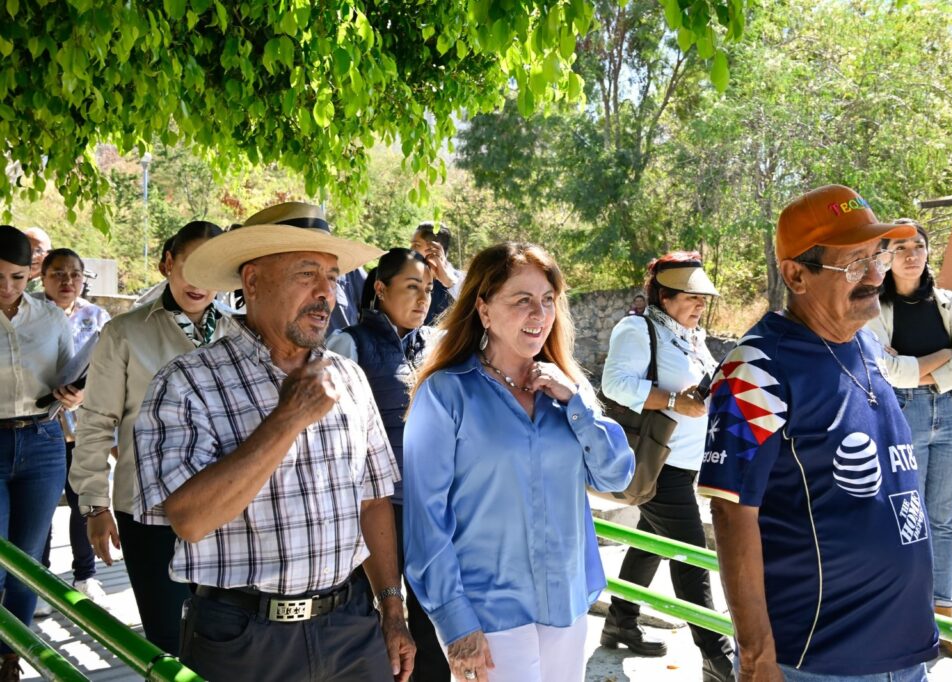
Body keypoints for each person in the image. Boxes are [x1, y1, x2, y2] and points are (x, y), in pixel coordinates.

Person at [133, 202, 415, 682]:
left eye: (331, 276)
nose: (326, 293)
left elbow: (373, 501)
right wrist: (286, 418)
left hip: (351, 625)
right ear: (254, 281)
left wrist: (392, 610)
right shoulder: (185, 381)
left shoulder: (349, 376)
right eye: (307, 274)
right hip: (242, 637)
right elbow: (189, 520)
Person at [698, 185, 938, 681]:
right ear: (796, 275)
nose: (876, 275)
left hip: (903, 653)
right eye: (854, 264)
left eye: (879, 256)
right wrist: (757, 658)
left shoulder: (866, 348)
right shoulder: (756, 370)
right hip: (819, 661)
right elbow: (730, 511)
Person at [403, 242, 635, 682]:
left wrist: (574, 403)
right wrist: (455, 625)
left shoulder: (567, 392)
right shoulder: (446, 394)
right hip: (489, 618)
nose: (540, 314)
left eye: (548, 300)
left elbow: (616, 475)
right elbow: (425, 522)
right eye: (522, 300)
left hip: (566, 607)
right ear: (484, 309)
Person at [70, 221, 228, 655]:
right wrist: (95, 505)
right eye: (189, 265)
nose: (198, 280)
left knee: (224, 636)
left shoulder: (238, 334)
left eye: (210, 268)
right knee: (165, 640)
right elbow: (97, 421)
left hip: (227, 507)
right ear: (167, 264)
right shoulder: (124, 332)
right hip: (147, 506)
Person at [599, 252, 734, 681]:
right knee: (691, 554)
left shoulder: (689, 335)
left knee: (651, 539)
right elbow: (615, 383)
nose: (699, 305)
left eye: (702, 299)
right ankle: (717, 654)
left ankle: (620, 619)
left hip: (686, 461)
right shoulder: (638, 329)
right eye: (690, 297)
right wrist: (676, 401)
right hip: (659, 463)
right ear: (664, 296)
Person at [328, 248, 449, 682]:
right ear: (380, 289)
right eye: (412, 288)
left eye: (429, 290)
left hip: (430, 505)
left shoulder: (436, 346)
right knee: (372, 613)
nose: (422, 299)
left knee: (433, 619)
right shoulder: (350, 343)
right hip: (371, 504)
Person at [865, 219, 952, 662]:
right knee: (904, 516)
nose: (911, 254)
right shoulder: (875, 306)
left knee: (942, 521)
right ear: (885, 257)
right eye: (900, 247)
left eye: (918, 245)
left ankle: (941, 625)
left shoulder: (950, 303)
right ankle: (902, 621)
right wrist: (942, 358)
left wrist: (923, 371)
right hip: (903, 414)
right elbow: (888, 372)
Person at [0, 225, 81, 682]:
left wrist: (73, 395)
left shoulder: (50, 319)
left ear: (29, 275)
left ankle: (11, 655)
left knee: (28, 560)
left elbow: (72, 375)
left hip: (43, 441)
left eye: (16, 277)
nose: (7, 288)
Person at [36, 248, 112, 609]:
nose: (67, 281)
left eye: (74, 274)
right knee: (42, 508)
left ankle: (85, 576)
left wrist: (85, 395)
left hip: (84, 429)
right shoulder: (31, 315)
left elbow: (112, 370)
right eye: (58, 274)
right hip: (40, 428)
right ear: (43, 278)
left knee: (86, 503)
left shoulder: (97, 318)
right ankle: (41, 578)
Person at [410, 221, 463, 325]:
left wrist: (450, 283)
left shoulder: (462, 283)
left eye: (416, 245)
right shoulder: (408, 277)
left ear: (435, 249)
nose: (410, 250)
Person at [23, 226, 51, 294]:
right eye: (27, 249)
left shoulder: (52, 284)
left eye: (39, 251)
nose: (32, 256)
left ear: (48, 254)